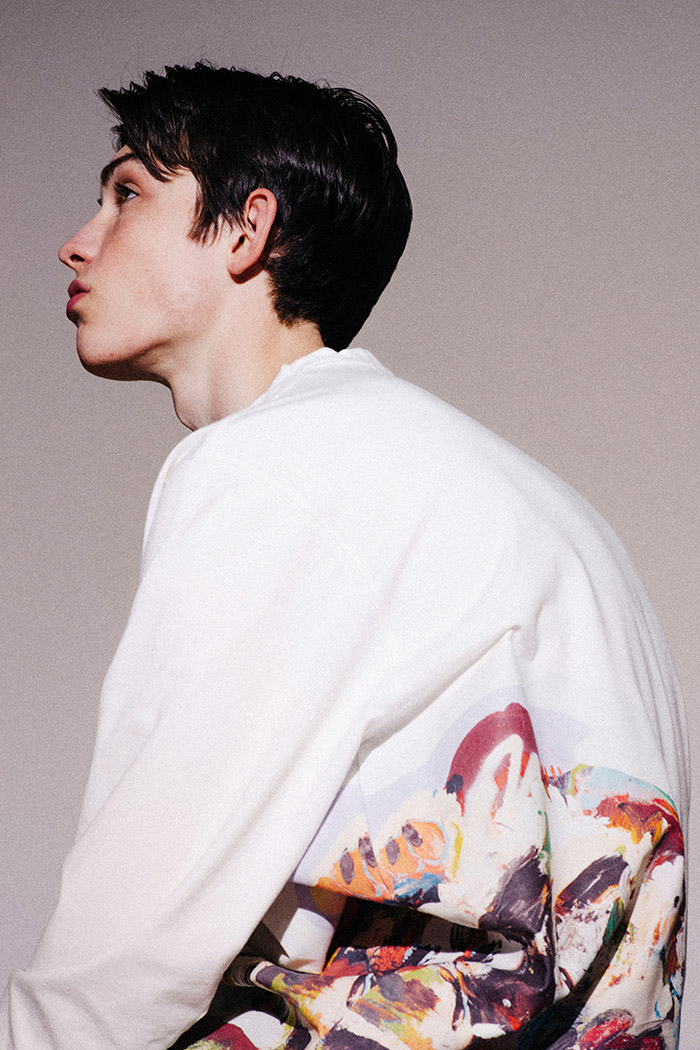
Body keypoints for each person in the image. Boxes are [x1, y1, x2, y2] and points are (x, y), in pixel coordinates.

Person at [1, 62, 688, 1050]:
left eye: (128, 193)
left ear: (246, 228)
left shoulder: (273, 466)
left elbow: (133, 933)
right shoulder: (531, 503)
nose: (78, 239)